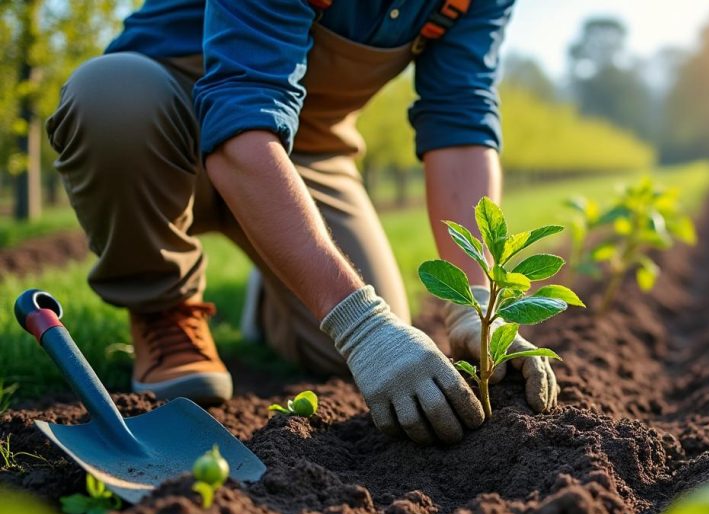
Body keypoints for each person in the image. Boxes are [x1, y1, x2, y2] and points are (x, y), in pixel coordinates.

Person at [45, 0, 559, 445]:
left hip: (303, 152)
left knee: (361, 351)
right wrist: (359, 324)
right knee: (110, 98)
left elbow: (461, 115)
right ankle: (163, 309)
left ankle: (276, 279)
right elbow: (241, 109)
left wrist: (472, 303)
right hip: (163, 123)